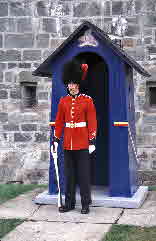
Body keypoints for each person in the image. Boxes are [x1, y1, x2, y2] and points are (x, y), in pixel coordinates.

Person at [51, 59, 97, 214]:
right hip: (68, 143)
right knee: (69, 175)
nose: (70, 86)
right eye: (68, 83)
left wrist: (92, 140)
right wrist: (56, 139)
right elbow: (59, 122)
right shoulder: (63, 101)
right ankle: (69, 203)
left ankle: (85, 204)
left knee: (83, 175)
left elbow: (92, 121)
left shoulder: (87, 101)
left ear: (77, 83)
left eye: (72, 83)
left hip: (83, 143)